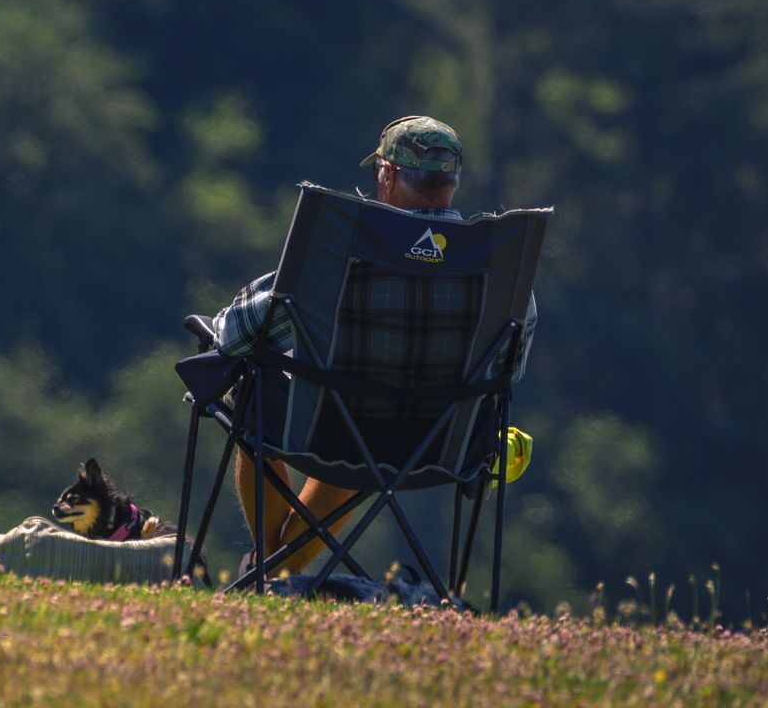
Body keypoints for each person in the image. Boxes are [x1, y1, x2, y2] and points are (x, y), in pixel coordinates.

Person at [206, 115, 537, 575]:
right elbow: (508, 371)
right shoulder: (498, 268)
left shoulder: (339, 251)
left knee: (257, 390)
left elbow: (238, 336)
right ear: (453, 182)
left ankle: (266, 571)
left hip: (329, 428)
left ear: (387, 174)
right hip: (436, 445)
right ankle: (278, 573)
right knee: (359, 431)